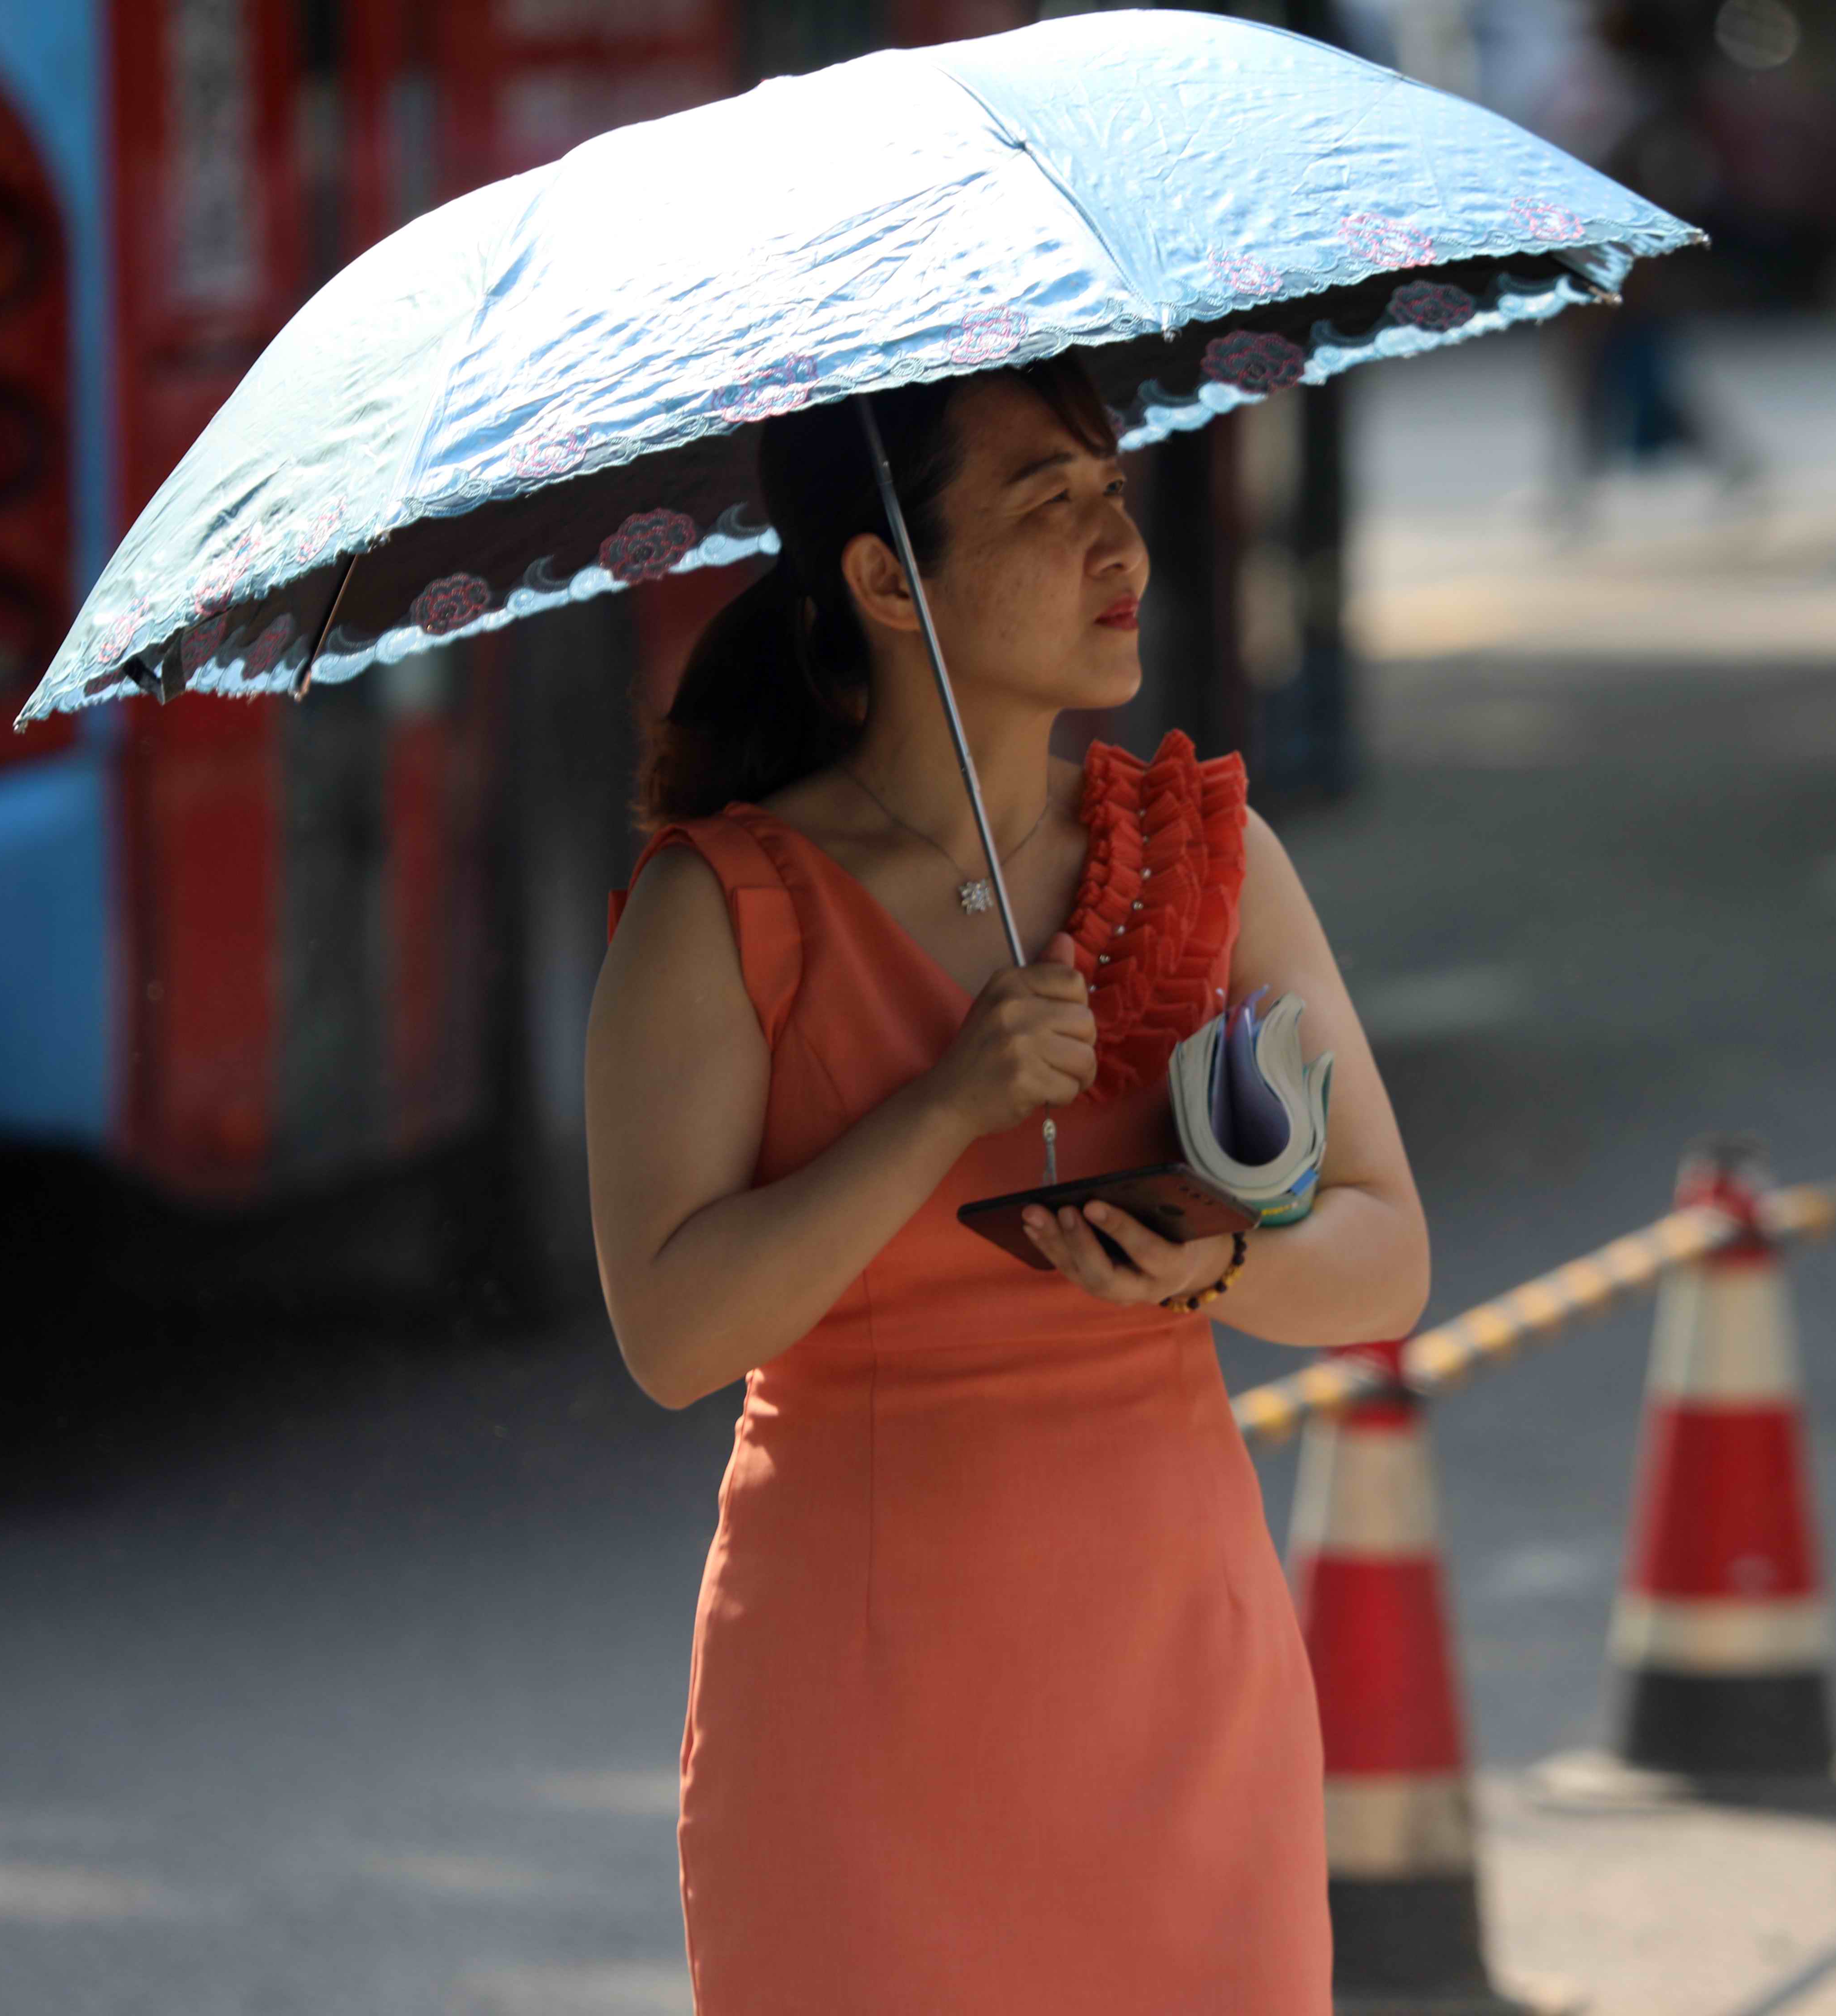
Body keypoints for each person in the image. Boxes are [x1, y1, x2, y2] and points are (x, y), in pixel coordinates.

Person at [583, 354, 1432, 2009]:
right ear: (889, 580)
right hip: (862, 1703)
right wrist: (940, 1105)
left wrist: (1215, 1272)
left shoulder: (1207, 858)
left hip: (1177, 1680)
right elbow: (675, 1335)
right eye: (1049, 508)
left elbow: (1386, 1258)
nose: (1118, 547)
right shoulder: (721, 908)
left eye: (1113, 493)